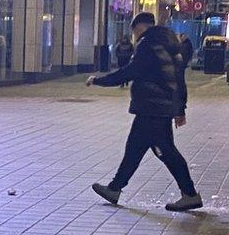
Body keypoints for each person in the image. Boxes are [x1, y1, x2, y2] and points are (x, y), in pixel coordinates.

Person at [86, 12, 202, 212]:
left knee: (164, 151)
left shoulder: (148, 44)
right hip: (160, 106)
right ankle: (115, 188)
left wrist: (98, 80)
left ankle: (190, 194)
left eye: (134, 32)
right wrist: (180, 107)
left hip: (152, 107)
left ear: (138, 27)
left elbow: (130, 71)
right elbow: (179, 78)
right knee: (137, 148)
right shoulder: (169, 42)